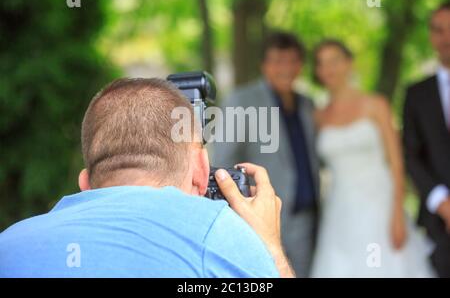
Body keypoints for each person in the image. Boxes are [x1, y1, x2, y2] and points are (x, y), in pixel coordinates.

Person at [0, 78, 294, 278]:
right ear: (201, 172)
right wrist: (269, 247)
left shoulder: (8, 245)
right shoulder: (219, 233)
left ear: (86, 184)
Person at [311, 40, 434, 277]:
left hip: (380, 205)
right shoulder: (318, 116)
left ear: (349, 63)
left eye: (335, 60)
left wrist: (397, 214)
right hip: (339, 209)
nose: (329, 69)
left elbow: (397, 164)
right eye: (322, 63)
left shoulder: (376, 105)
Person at [213, 32, 320, 277]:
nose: (285, 68)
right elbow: (223, 161)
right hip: (261, 215)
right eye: (277, 61)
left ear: (300, 65)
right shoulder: (241, 100)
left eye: (292, 60)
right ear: (264, 65)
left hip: (306, 217)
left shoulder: (307, 104)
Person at [403, 1, 450, 278]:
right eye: (439, 30)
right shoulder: (417, 94)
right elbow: (410, 153)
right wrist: (442, 202)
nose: (446, 38)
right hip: (437, 224)